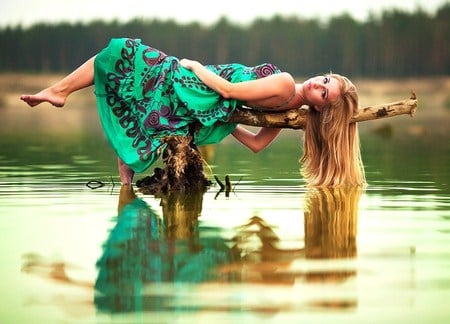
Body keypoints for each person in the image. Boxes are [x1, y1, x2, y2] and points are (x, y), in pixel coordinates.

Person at [20, 37, 365, 187]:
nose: (317, 86)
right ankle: (125, 176)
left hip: (201, 85)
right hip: (208, 100)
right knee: (136, 84)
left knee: (122, 53)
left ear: (321, 108)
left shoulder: (287, 86)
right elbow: (257, 142)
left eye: (323, 93)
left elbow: (229, 91)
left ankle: (59, 91)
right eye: (325, 79)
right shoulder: (289, 107)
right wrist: (226, 122)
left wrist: (197, 67)